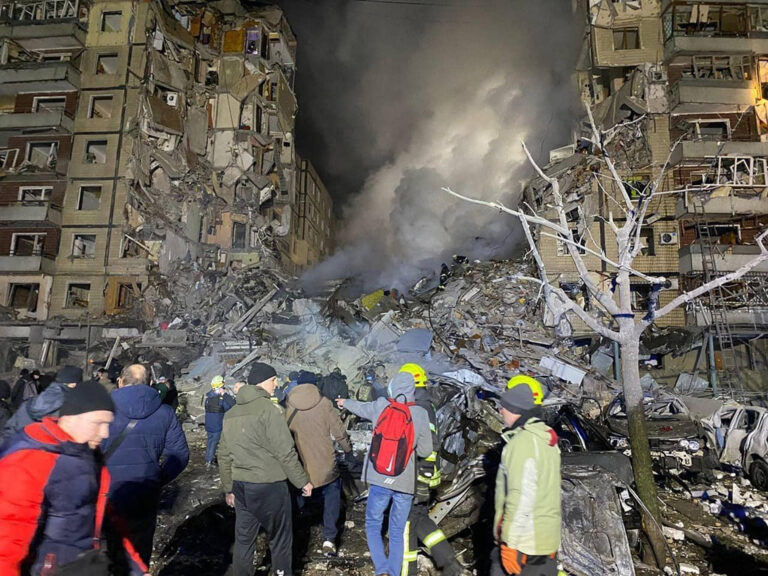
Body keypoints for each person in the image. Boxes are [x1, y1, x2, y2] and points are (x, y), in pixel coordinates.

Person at [0, 380, 149, 576]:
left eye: (108, 424)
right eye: (98, 423)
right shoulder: (32, 460)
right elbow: (7, 538)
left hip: (86, 566)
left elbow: (109, 522)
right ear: (70, 418)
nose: (105, 433)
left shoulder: (89, 456)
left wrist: (137, 569)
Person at [219, 362, 312, 576]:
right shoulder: (270, 410)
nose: (276, 384)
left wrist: (228, 488)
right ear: (262, 382)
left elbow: (223, 455)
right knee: (280, 538)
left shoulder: (231, 414)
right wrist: (302, 481)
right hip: (269, 486)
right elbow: (285, 451)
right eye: (273, 380)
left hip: (241, 486)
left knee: (244, 539)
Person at [337, 372, 432, 576]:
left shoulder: (381, 406)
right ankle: (394, 573)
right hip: (404, 482)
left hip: (379, 478)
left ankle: (382, 570)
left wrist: (344, 402)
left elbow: (360, 407)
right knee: (397, 531)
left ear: (392, 388)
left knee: (373, 524)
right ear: (412, 390)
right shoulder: (420, 414)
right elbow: (425, 451)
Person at [102, 364, 190, 573]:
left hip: (106, 493)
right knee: (139, 551)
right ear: (151, 383)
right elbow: (179, 454)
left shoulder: (102, 411)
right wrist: (156, 479)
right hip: (144, 493)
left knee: (105, 550)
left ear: (120, 382)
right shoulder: (165, 413)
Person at [398, 364, 464, 576]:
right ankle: (450, 564)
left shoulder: (418, 408)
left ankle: (406, 571)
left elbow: (426, 444)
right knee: (420, 520)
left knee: (406, 525)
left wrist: (422, 476)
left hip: (415, 476)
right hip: (423, 475)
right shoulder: (425, 404)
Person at [491, 383, 561, 576]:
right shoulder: (545, 439)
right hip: (546, 540)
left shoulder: (523, 443)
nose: (500, 411)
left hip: (524, 543)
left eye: (504, 407)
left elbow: (521, 496)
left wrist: (509, 542)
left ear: (515, 410)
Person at [285, 376, 354, 556]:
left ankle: (296, 535)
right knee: (332, 494)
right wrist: (348, 449)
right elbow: (338, 431)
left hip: (300, 463)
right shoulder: (324, 403)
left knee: (298, 495)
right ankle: (329, 538)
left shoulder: (289, 404)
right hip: (325, 462)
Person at [2, 366, 82, 444]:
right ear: (73, 384)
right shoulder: (71, 408)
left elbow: (10, 430)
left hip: (18, 446)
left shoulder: (31, 402)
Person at [204, 375, 235, 469]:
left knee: (210, 442)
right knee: (214, 443)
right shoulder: (221, 399)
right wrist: (225, 395)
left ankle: (208, 459)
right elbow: (230, 407)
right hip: (217, 425)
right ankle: (210, 461)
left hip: (209, 424)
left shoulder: (208, 398)